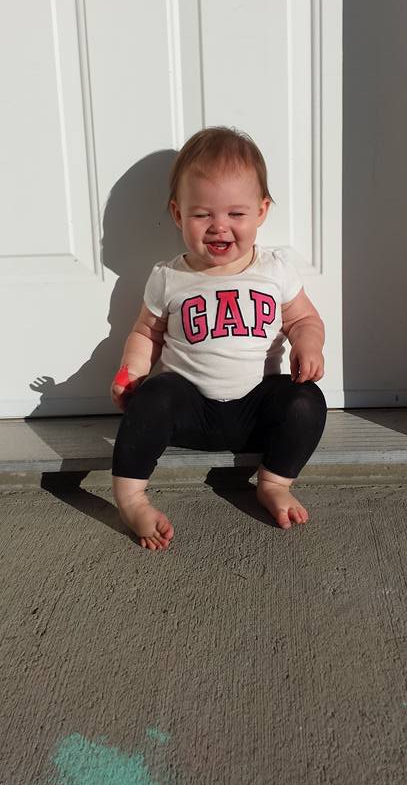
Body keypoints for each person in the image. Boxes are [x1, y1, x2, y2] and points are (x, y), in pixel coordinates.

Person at [110, 126, 327, 550]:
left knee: (306, 401)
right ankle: (131, 499)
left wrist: (308, 344)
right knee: (153, 396)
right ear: (178, 214)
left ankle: (274, 483)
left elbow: (304, 318)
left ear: (261, 211)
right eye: (202, 215)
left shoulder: (274, 270)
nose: (219, 227)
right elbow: (146, 332)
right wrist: (132, 372)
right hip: (189, 409)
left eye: (235, 214)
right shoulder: (169, 277)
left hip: (256, 410)